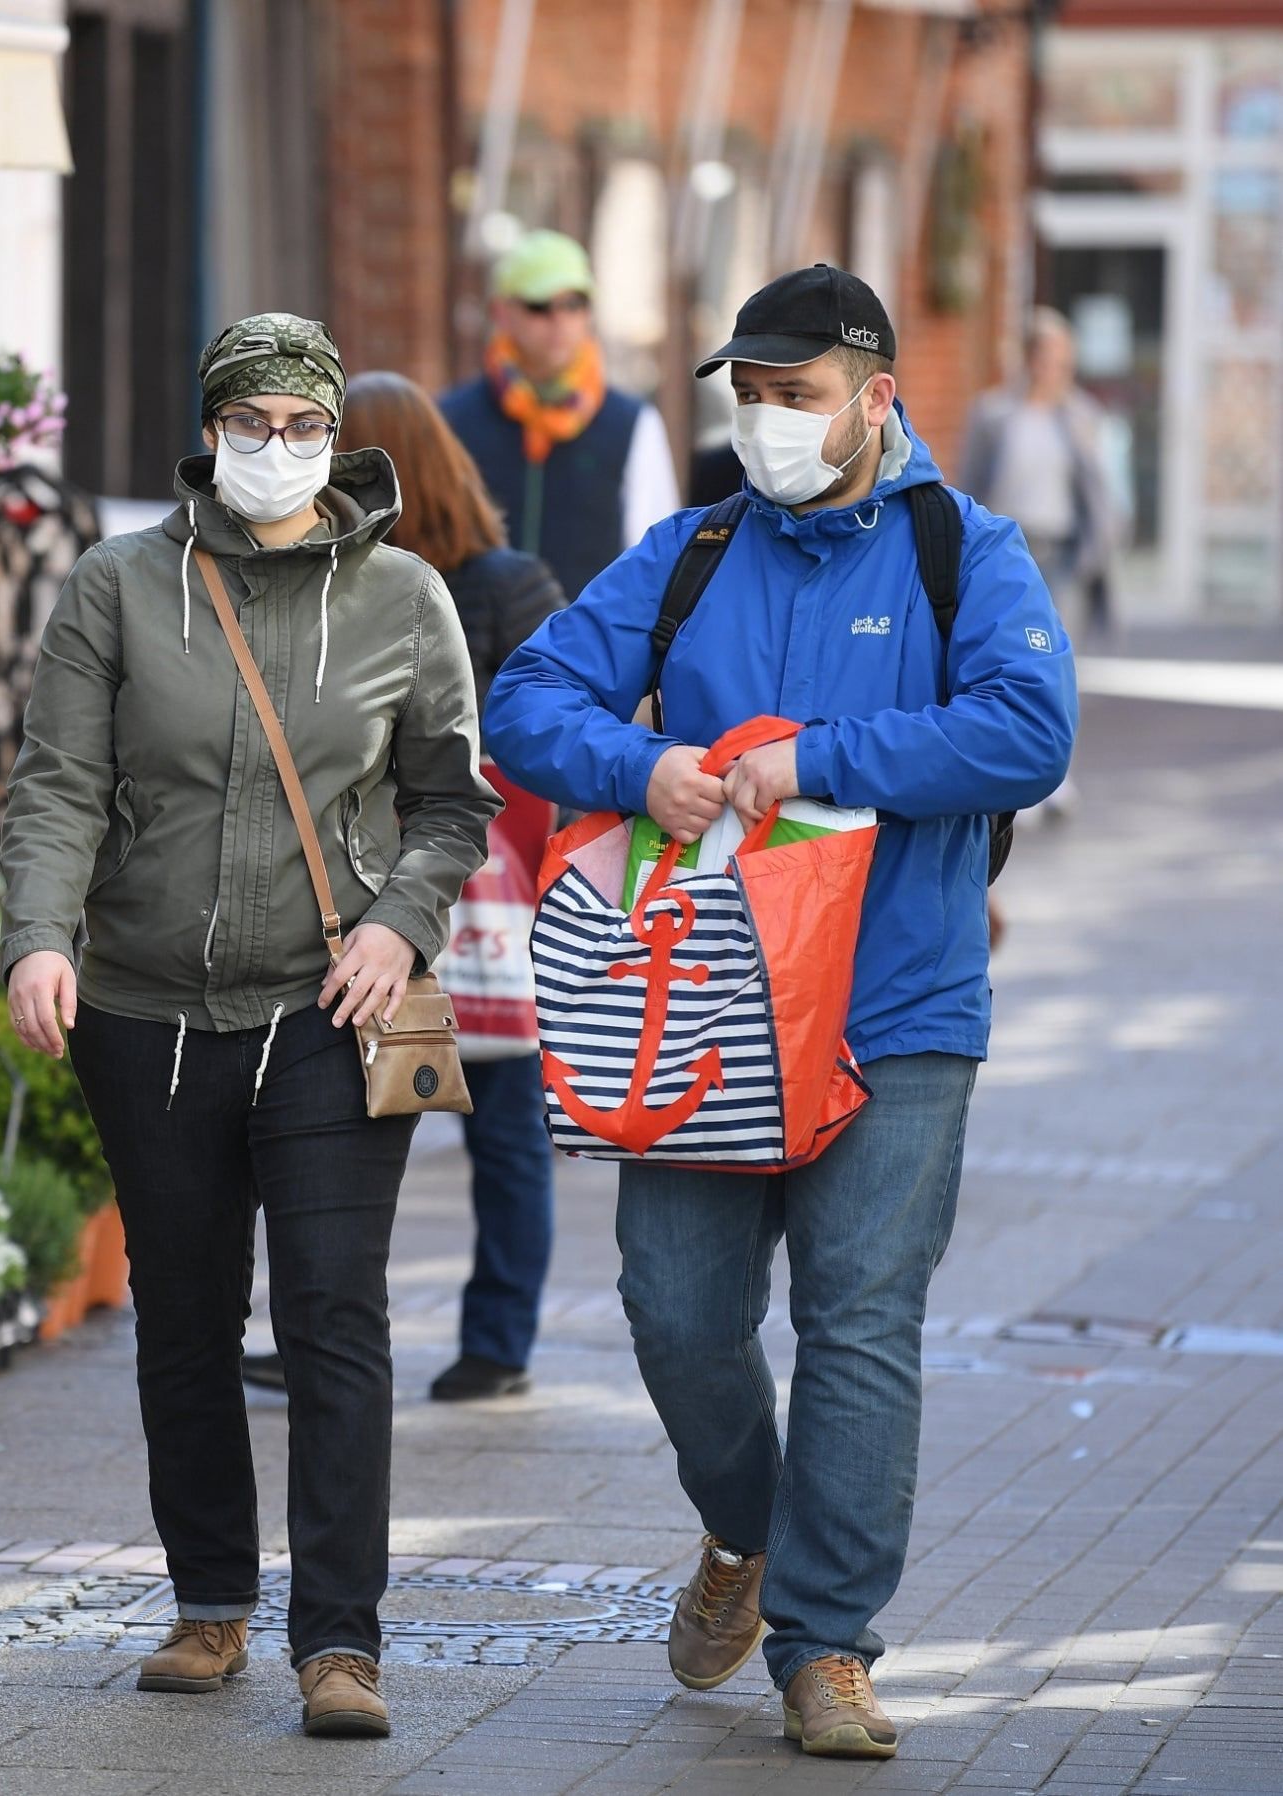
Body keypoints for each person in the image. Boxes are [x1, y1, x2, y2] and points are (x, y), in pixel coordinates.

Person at [484, 265, 1077, 1760]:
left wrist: (825, 754)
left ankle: (828, 1649)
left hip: (898, 1006)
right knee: (674, 1313)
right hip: (701, 1003)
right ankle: (743, 1532)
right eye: (746, 400)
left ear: (877, 397)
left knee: (860, 1324)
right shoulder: (690, 553)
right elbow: (526, 698)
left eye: (796, 398)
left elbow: (1029, 727)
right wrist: (641, 771)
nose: (766, 427)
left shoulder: (964, 550)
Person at [1, 314, 499, 1741]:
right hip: (148, 1012)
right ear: (209, 431)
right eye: (250, 421)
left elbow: (455, 802)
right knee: (184, 1319)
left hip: (335, 1011)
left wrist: (403, 918)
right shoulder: (115, 587)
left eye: (300, 424)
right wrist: (42, 937)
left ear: (336, 439)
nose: (274, 447)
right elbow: (56, 787)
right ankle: (209, 1605)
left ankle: (340, 1643)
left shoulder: (407, 599)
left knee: (335, 1317)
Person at [236, 371, 564, 1405]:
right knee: (499, 1125)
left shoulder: (360, 585)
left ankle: (322, 1338)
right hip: (473, 891)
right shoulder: (509, 582)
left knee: (334, 1128)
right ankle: (495, 1340)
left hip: (369, 893)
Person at [440, 229, 680, 600]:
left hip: (590, 650)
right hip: (478, 650)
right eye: (539, 306)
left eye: (574, 304)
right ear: (501, 312)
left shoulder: (633, 423)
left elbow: (657, 559)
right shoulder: (452, 420)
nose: (559, 320)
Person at [961, 307, 1124, 643]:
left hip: (1061, 553)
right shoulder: (993, 414)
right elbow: (970, 483)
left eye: (1061, 361)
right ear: (1029, 359)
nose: (1053, 370)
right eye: (1046, 358)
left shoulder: (1083, 416)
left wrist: (1096, 551)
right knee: (1004, 642)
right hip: (1005, 547)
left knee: (1055, 647)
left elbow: (1100, 489)